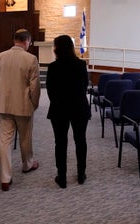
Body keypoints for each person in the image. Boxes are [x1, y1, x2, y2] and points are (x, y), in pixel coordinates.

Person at [0, 29, 41, 191]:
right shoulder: (31, 59)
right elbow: (35, 87)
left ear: (14, 40)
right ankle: (27, 164)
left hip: (3, 105)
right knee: (25, 138)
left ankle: (5, 178)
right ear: (27, 41)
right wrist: (34, 103)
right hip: (23, 105)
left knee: (4, 141)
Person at [46, 35, 91, 188]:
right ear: (71, 47)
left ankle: (62, 177)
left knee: (60, 142)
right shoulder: (81, 64)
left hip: (59, 108)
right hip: (79, 107)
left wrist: (59, 101)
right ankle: (81, 174)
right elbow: (85, 86)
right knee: (81, 140)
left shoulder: (53, 67)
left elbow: (50, 91)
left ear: (56, 48)